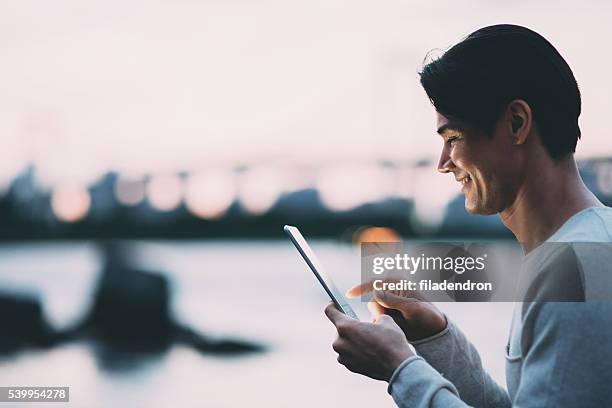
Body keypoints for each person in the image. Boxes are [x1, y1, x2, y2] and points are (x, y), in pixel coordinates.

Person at [324, 24, 612, 407]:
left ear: (516, 123)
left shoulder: (576, 271)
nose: (444, 164)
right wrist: (436, 338)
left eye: (453, 137)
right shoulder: (585, 250)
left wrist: (399, 367)